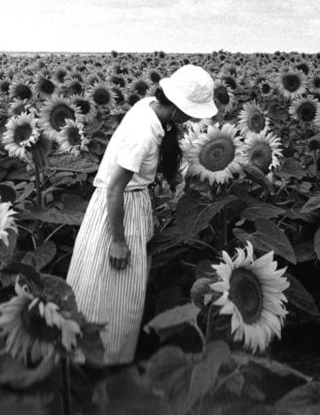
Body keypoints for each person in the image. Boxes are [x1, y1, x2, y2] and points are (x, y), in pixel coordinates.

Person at [66, 64, 218, 366]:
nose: (191, 119)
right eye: (190, 112)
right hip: (119, 209)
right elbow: (114, 189)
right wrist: (118, 241)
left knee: (106, 289)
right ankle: (99, 364)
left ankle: (93, 360)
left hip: (128, 204)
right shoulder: (143, 134)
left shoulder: (148, 107)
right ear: (176, 106)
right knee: (110, 291)